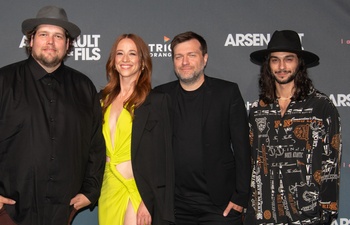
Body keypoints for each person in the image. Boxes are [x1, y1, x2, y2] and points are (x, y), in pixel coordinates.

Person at [0, 5, 106, 225]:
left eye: (58, 36)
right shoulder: (4, 81)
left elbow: (95, 143)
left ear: (67, 45)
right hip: (9, 212)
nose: (50, 42)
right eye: (44, 34)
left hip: (62, 211)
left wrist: (91, 190)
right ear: (31, 41)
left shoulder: (84, 87)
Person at [245, 30, 342, 225]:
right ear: (268, 65)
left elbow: (331, 164)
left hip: (308, 216)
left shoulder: (321, 107)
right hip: (262, 216)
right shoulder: (257, 110)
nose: (281, 66)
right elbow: (251, 163)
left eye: (288, 59)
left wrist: (326, 212)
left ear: (299, 63)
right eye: (275, 60)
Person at [155, 31, 251, 225]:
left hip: (220, 205)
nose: (185, 62)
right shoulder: (160, 95)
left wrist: (241, 196)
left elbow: (242, 149)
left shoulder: (227, 93)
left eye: (191, 55)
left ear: (204, 59)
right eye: (178, 56)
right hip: (175, 206)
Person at [98, 33, 175, 225]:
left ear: (142, 62)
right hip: (108, 187)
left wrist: (148, 200)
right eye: (120, 53)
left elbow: (164, 157)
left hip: (139, 189)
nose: (125, 59)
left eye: (132, 54)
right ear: (113, 61)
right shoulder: (101, 100)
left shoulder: (156, 101)